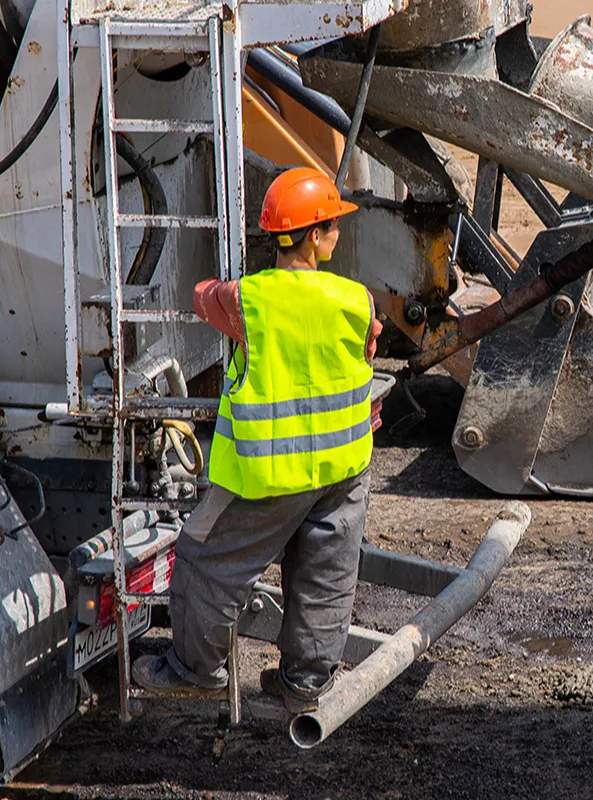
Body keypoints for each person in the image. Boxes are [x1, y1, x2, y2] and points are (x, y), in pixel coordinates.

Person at [133, 167, 382, 712]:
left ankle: (194, 670)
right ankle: (306, 683)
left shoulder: (246, 300)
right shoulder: (356, 300)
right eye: (332, 225)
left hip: (268, 471)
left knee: (204, 558)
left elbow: (203, 297)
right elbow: (365, 355)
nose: (338, 233)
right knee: (326, 573)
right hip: (344, 467)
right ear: (313, 237)